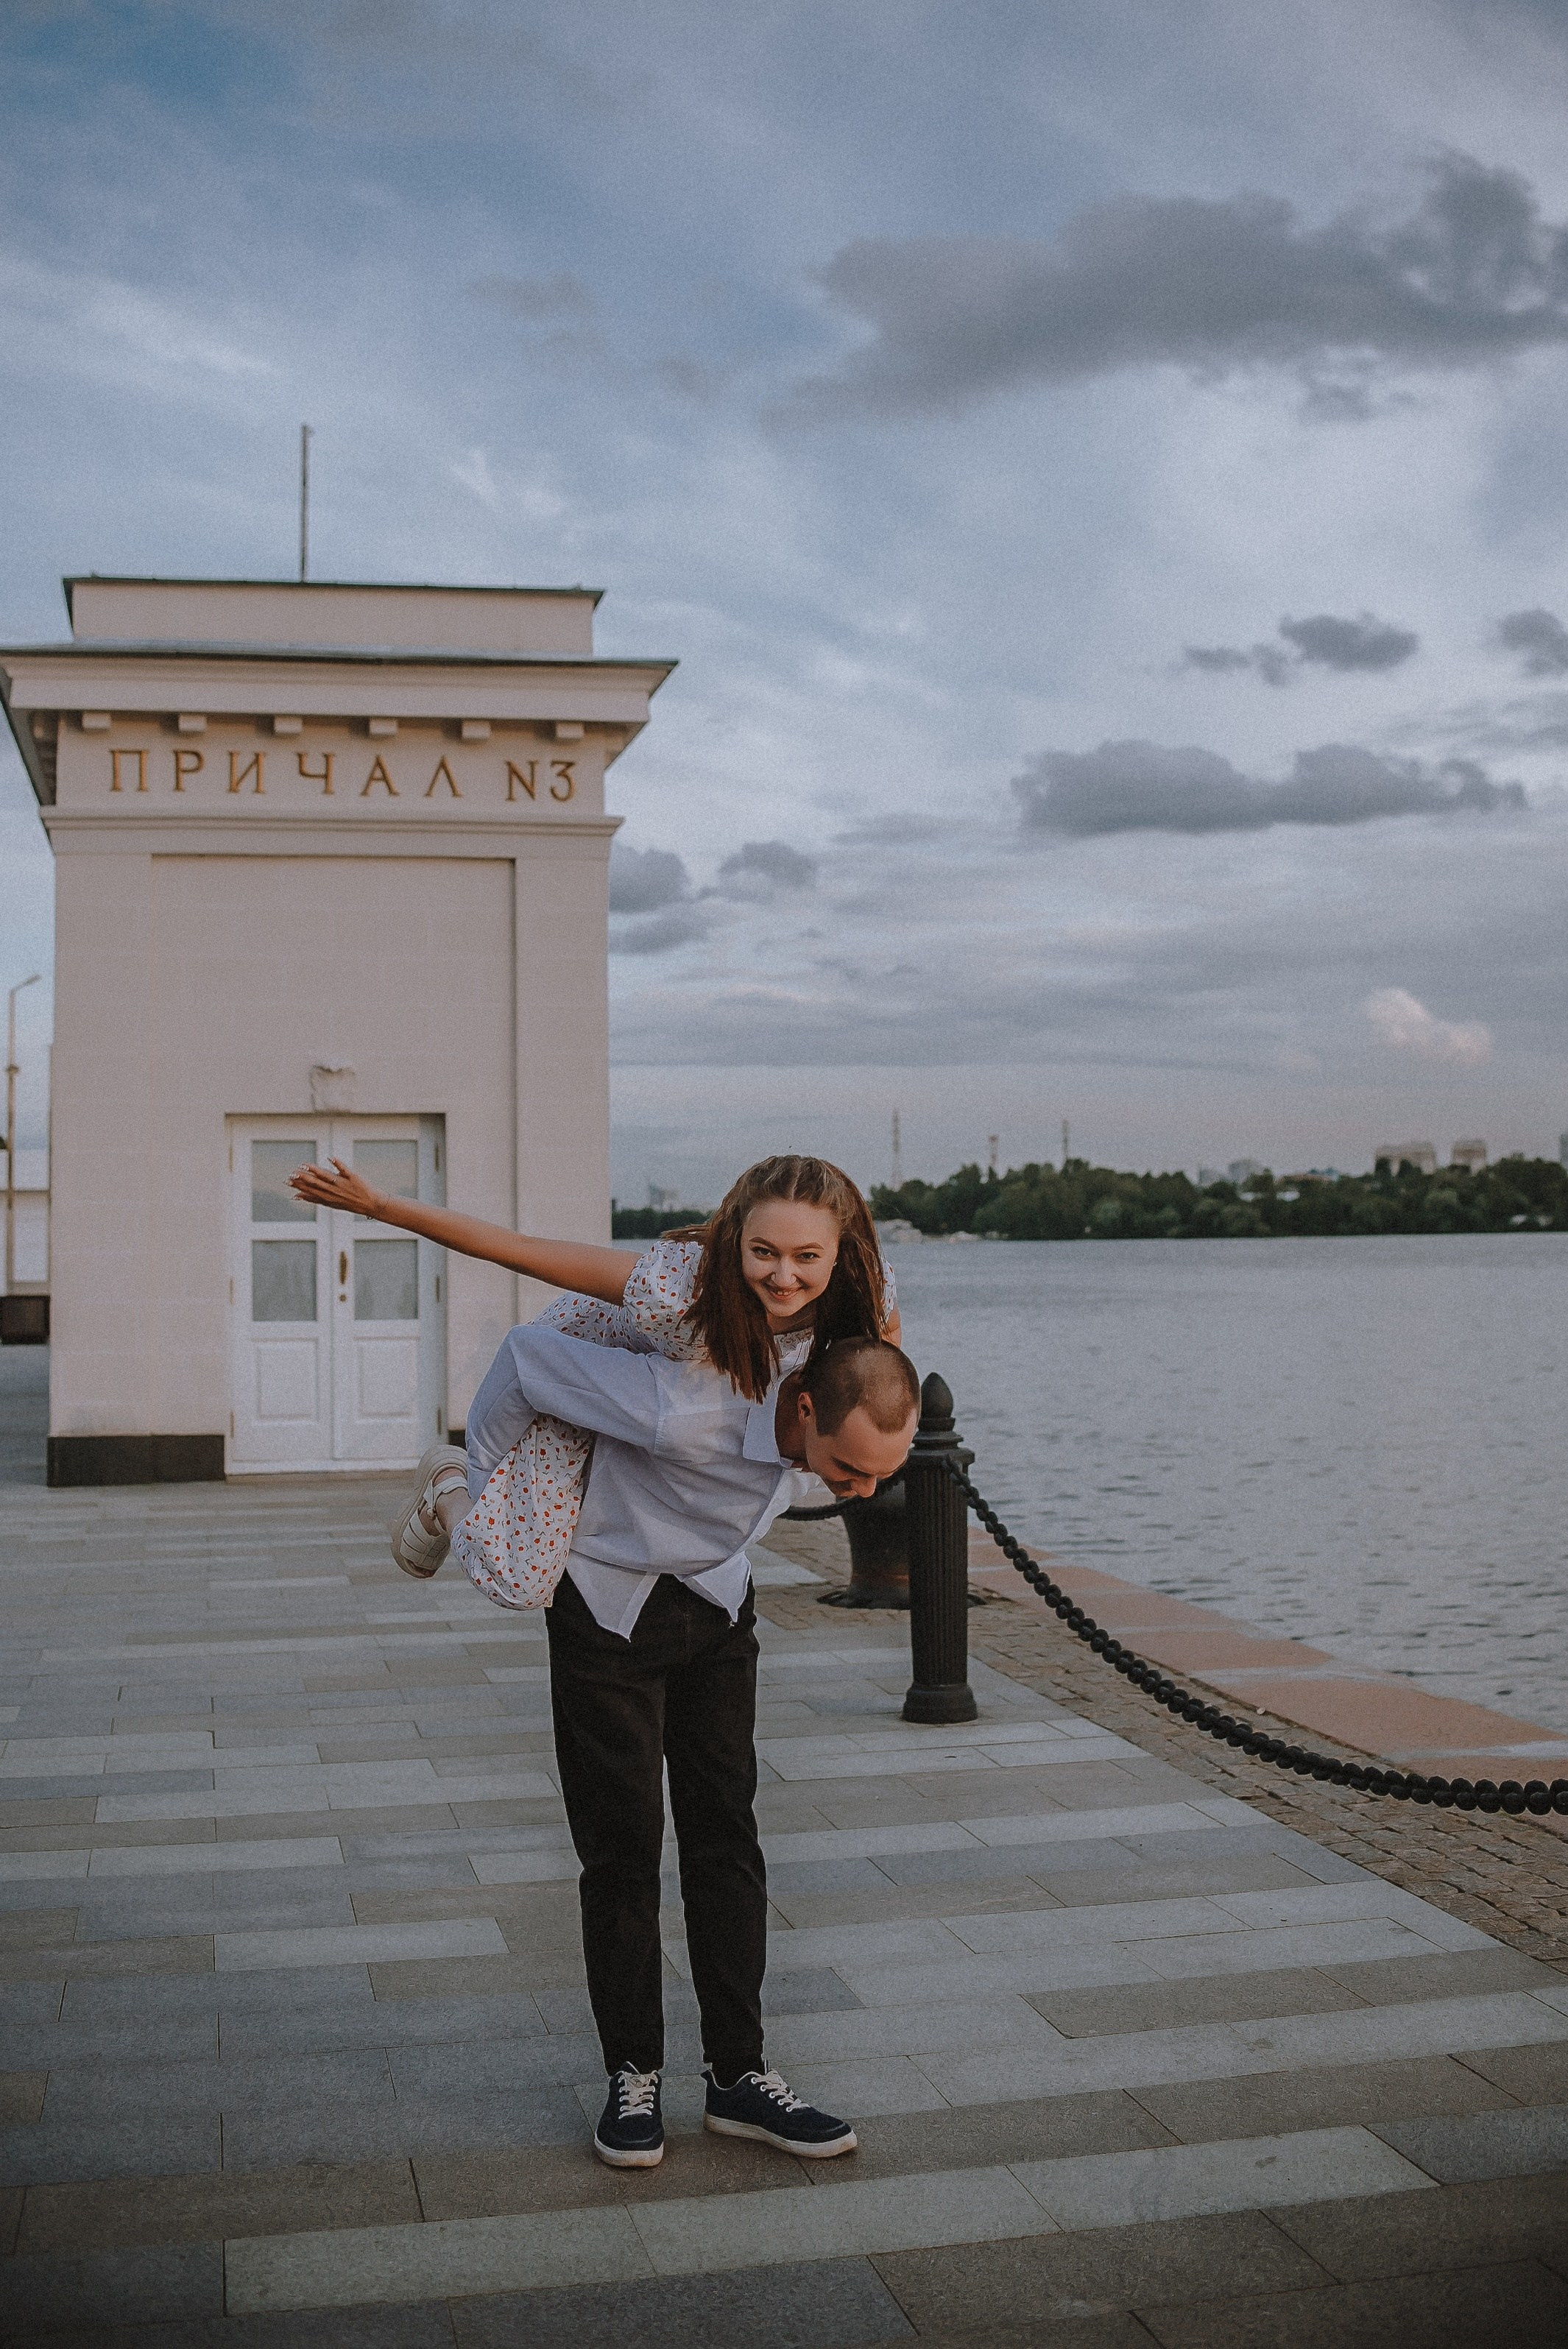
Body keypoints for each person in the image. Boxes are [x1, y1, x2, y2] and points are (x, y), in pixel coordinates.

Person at [426, 1317, 920, 2169]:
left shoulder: (823, 1389)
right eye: (849, 1468)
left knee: (726, 1833)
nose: (862, 1494)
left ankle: (738, 2075)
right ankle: (633, 2072)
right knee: (622, 1844)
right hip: (605, 1606)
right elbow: (526, 1356)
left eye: (881, 1474)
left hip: (718, 1606)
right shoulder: (680, 1405)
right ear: (802, 1412)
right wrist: (489, 1486)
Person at [286, 1154, 900, 1607]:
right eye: (764, 1251)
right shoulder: (685, 1289)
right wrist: (381, 1207)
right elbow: (521, 1249)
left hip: (662, 1406)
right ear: (735, 1237)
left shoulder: (863, 1287)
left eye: (806, 1256)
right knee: (520, 1580)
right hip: (578, 1379)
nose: (783, 1276)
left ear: (839, 1251)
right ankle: (448, 1488)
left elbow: (881, 1347)